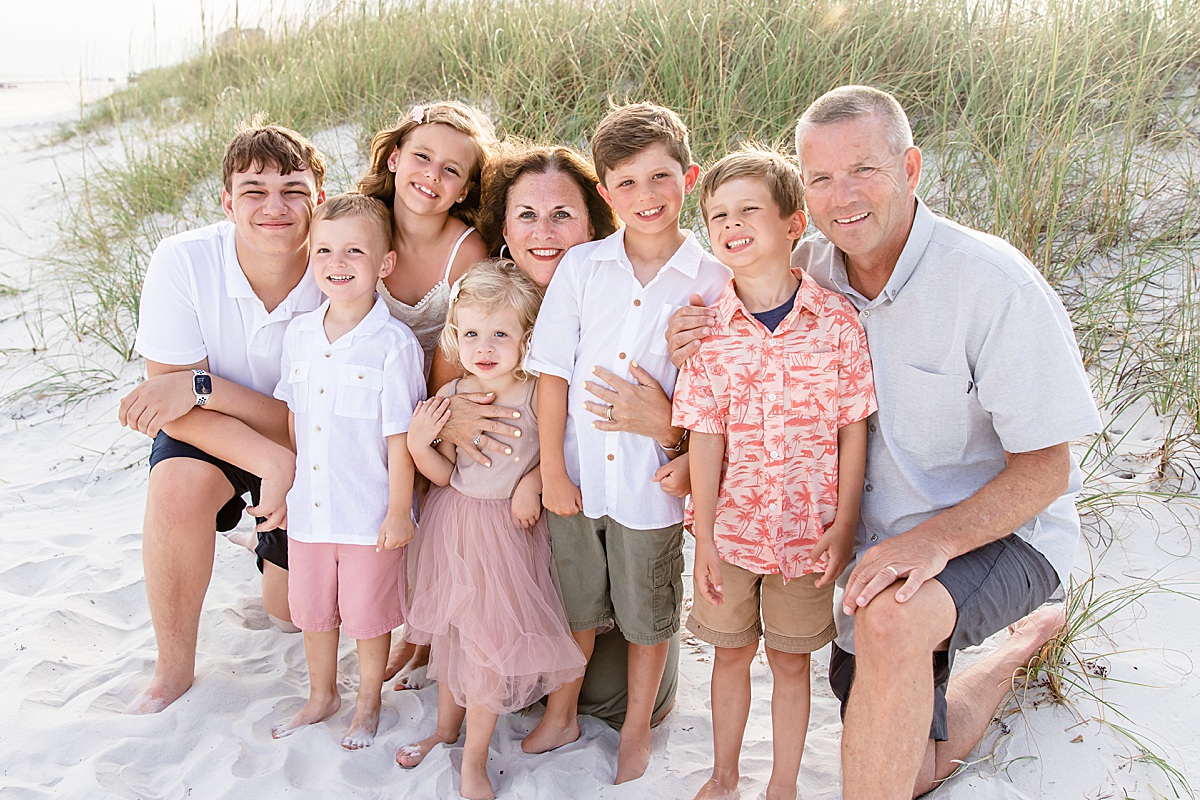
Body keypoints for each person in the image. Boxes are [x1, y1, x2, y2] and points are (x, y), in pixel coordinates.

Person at [527, 103, 731, 784]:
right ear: (605, 191)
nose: (645, 198)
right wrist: (553, 470)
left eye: (660, 177)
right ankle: (560, 713)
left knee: (648, 615)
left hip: (650, 485)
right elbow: (551, 376)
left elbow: (713, 398)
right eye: (626, 183)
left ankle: (637, 729)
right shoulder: (582, 268)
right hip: (581, 477)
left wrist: (679, 453)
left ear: (690, 178)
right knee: (578, 604)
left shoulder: (712, 281)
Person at [676, 148, 876, 800]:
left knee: (792, 662)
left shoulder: (837, 323)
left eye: (748, 211)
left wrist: (843, 524)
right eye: (717, 215)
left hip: (806, 532)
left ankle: (783, 784)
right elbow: (703, 438)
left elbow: (853, 428)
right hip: (730, 531)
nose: (731, 225)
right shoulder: (710, 331)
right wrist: (703, 536)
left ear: (794, 223)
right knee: (729, 653)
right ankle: (724, 774)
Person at [476, 142, 684, 736]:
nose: (544, 231)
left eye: (562, 215)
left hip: (613, 506)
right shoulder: (485, 304)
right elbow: (446, 411)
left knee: (608, 694)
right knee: (516, 681)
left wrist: (668, 429)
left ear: (596, 221)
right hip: (515, 531)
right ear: (504, 228)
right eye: (526, 215)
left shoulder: (628, 292)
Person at [117, 122, 327, 714]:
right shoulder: (183, 261)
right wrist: (266, 458)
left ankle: (268, 545)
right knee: (177, 488)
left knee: (287, 615)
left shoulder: (338, 263)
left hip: (309, 436)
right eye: (254, 191)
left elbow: (317, 415)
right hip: (222, 435)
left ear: (321, 198)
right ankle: (172, 669)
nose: (274, 207)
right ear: (227, 202)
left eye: (293, 188)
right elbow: (170, 406)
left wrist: (204, 386)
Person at [397, 260, 586, 800]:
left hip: (506, 536)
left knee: (486, 647)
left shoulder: (534, 392)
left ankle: (474, 761)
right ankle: (443, 729)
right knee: (455, 638)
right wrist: (417, 445)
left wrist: (530, 479)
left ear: (527, 335)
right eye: (472, 333)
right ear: (456, 335)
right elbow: (443, 475)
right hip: (454, 528)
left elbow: (559, 453)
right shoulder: (457, 393)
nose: (485, 346)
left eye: (501, 333)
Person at [265, 193, 425, 749]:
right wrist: (286, 490)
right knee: (312, 611)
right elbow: (292, 418)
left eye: (355, 251)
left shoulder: (393, 345)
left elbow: (400, 438)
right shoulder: (300, 334)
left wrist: (401, 511)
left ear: (383, 264)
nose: (338, 262)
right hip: (310, 511)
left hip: (367, 512)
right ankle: (322, 694)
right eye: (325, 250)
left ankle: (367, 702)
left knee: (368, 615)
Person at [358, 100, 494, 688]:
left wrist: (427, 425)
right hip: (365, 397)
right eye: (421, 158)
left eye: (451, 171)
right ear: (393, 158)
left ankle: (421, 636)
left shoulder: (466, 250)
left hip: (438, 397)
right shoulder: (362, 224)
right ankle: (381, 621)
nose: (431, 178)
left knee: (427, 506)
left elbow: (465, 345)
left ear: (465, 188)